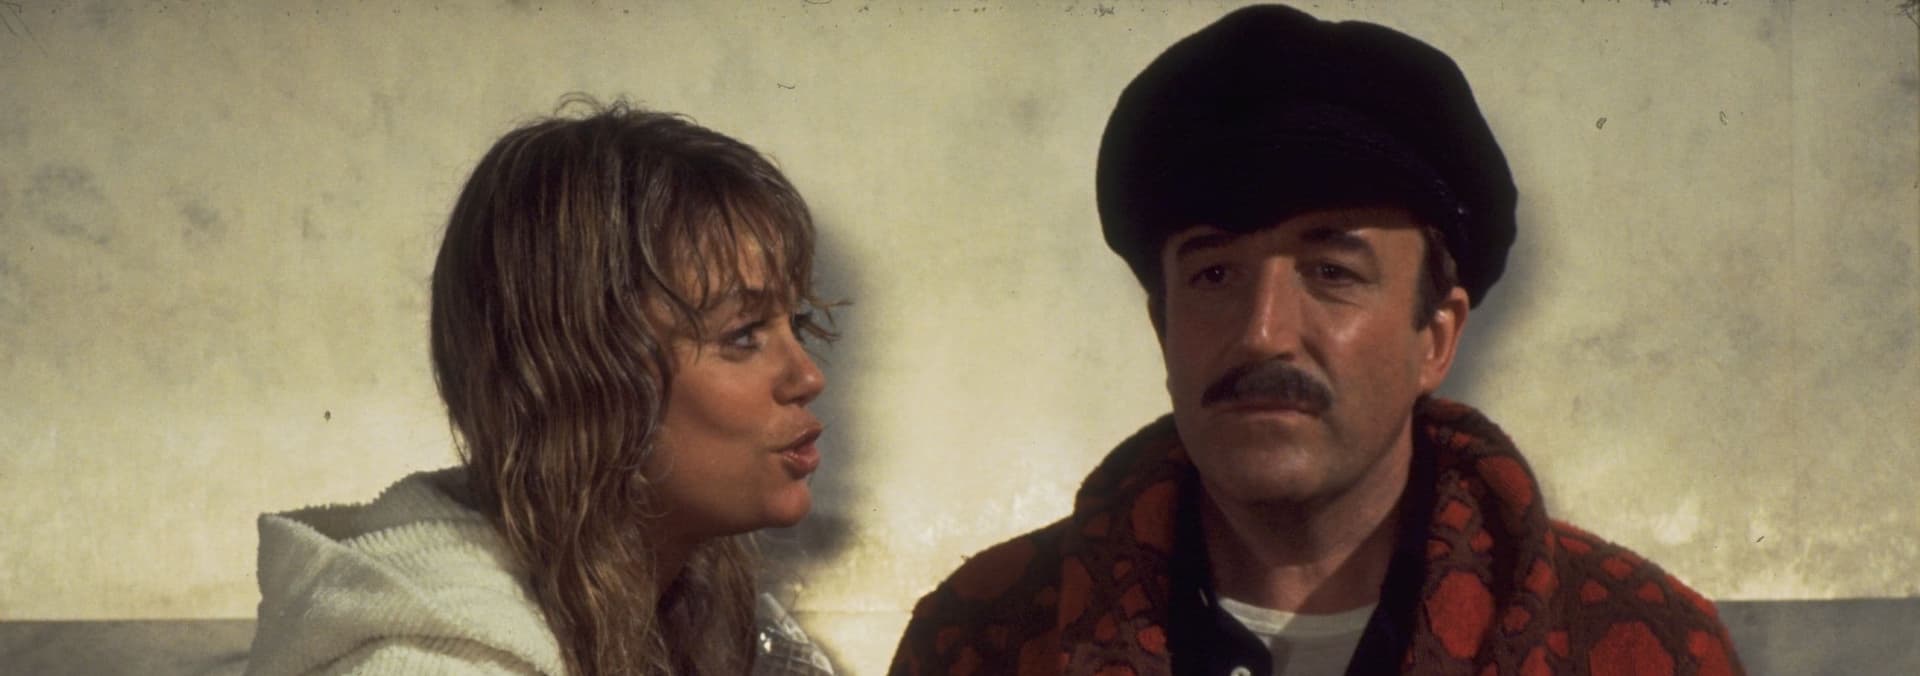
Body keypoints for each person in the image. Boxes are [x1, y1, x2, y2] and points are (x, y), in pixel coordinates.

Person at [891, 6, 1743, 675]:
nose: (1263, 332)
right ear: (1163, 328)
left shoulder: (1645, 649)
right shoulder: (986, 638)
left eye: (1332, 272)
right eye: (1214, 274)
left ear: (1435, 337)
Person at [247, 99, 839, 676]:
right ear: (584, 375)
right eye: (742, 334)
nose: (808, 377)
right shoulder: (431, 661)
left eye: (798, 322)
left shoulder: (699, 615)